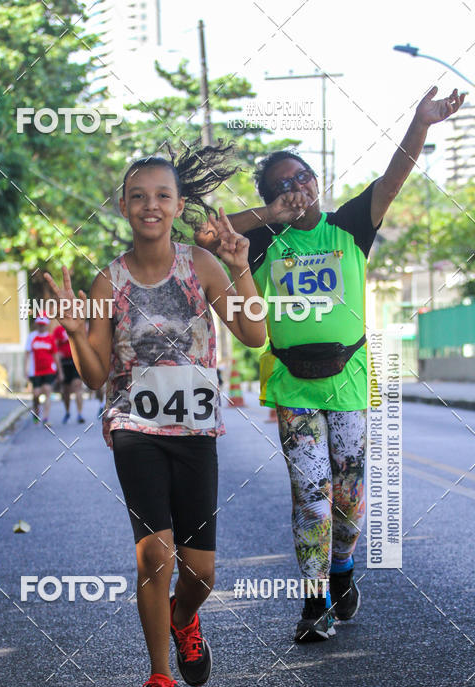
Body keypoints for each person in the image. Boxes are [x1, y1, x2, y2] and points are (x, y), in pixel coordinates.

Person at [196, 86, 465, 643]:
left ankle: (342, 569)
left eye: (301, 178)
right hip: (293, 383)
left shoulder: (349, 226)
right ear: (269, 199)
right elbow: (203, 231)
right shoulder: (263, 242)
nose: (295, 190)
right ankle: (313, 601)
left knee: (348, 500)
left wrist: (420, 123)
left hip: (347, 381)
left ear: (317, 181)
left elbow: (395, 175)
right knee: (312, 498)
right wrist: (269, 215)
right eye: (280, 187)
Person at [44, 142, 265, 687]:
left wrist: (242, 267)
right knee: (154, 556)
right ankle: (159, 676)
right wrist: (74, 332)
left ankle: (185, 615)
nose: (150, 206)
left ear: (178, 204)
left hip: (195, 431)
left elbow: (253, 334)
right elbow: (95, 376)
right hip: (134, 427)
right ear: (123, 206)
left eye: (162, 196)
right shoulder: (106, 282)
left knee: (202, 575)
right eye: (138, 196)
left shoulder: (202, 266)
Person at [24, 315, 63, 425]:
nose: (41, 327)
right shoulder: (31, 337)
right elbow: (26, 355)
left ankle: (46, 418)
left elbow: (55, 355)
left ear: (46, 325)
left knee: (47, 390)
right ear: (37, 325)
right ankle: (36, 412)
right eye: (40, 325)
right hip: (35, 370)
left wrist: (59, 372)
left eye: (43, 325)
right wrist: (25, 370)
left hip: (49, 370)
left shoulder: (50, 338)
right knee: (36, 394)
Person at [53, 321, 85, 424]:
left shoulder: (77, 328)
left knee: (77, 387)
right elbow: (54, 348)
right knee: (66, 391)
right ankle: (67, 412)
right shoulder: (58, 330)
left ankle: (80, 414)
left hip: (76, 362)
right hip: (64, 363)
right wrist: (58, 355)